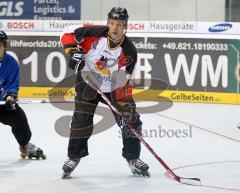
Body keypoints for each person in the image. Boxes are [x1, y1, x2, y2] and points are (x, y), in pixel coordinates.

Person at [60, 7, 150, 178]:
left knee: (132, 120)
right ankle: (74, 157)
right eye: (112, 23)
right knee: (81, 119)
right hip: (87, 81)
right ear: (108, 23)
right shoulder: (94, 32)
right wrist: (72, 53)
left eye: (119, 24)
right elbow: (67, 32)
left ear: (126, 26)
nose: (114, 28)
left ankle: (133, 159)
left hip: (113, 87)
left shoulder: (129, 51)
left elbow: (122, 82)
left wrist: (123, 109)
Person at [0, 31, 46, 160]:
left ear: (4, 46)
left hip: (3, 103)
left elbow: (12, 85)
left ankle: (25, 144)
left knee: (20, 120)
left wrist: (10, 97)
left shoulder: (11, 63)